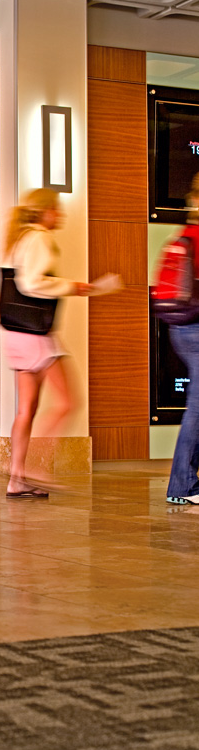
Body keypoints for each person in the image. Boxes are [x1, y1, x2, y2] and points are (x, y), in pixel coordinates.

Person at [2, 188, 91, 498]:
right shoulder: (38, 237)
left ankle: (17, 478)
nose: (61, 214)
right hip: (37, 335)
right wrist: (73, 286)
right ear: (45, 212)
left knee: (27, 409)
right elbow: (32, 283)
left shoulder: (19, 238)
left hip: (16, 333)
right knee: (68, 401)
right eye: (56, 209)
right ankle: (37, 467)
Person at [166, 173, 199, 505]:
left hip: (181, 327)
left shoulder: (186, 233)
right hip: (197, 329)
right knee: (198, 407)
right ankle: (183, 486)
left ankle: (185, 483)